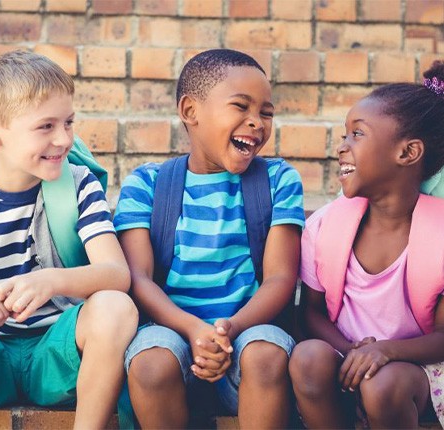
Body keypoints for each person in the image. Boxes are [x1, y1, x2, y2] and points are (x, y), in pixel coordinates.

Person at [0, 50, 138, 429]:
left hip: (57, 357)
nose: (63, 139)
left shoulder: (79, 185)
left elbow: (117, 273)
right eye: (45, 126)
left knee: (115, 306)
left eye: (69, 122)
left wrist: (52, 281)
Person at [113, 48, 306, 428]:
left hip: (248, 338)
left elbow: (281, 278)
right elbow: (138, 278)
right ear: (190, 111)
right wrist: (193, 330)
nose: (257, 123)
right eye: (241, 107)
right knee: (150, 361)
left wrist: (228, 329)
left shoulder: (279, 180)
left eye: (266, 113)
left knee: (266, 351)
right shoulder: (147, 185)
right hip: (173, 341)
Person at [289, 61, 444, 428]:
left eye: (357, 134)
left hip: (417, 373)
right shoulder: (325, 226)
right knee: (308, 357)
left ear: (407, 153)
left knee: (382, 384)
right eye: (345, 135)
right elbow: (309, 313)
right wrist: (354, 350)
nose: (342, 147)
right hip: (345, 361)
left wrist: (385, 352)